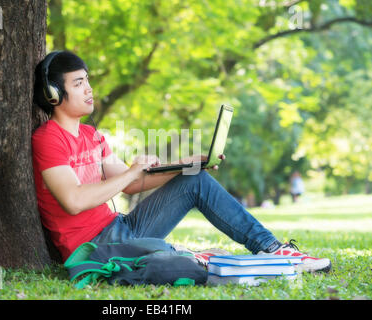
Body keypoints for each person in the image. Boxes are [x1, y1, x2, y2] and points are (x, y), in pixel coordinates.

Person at [31, 51, 331, 273]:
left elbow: (133, 184)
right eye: (79, 83)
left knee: (195, 179)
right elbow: (72, 201)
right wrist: (133, 170)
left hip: (121, 227)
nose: (89, 89)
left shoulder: (91, 135)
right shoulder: (48, 138)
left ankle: (274, 249)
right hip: (97, 247)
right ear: (54, 94)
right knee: (186, 264)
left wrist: (187, 164)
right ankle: (248, 261)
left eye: (88, 81)